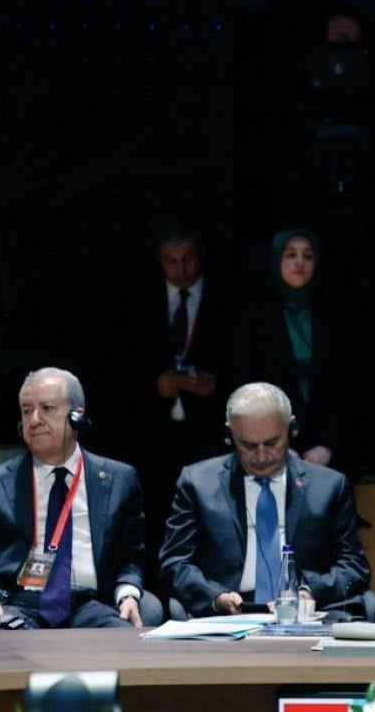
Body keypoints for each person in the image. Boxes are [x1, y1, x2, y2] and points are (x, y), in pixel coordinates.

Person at [0, 368, 146, 630]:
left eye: (47, 408)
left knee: (123, 642)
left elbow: (131, 557)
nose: (34, 420)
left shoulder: (120, 479)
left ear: (77, 417)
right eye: (27, 411)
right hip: (14, 604)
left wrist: (128, 594)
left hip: (92, 605)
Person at [158, 382, 370, 617]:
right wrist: (215, 597)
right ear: (229, 435)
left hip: (308, 612)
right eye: (248, 445)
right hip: (228, 615)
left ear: (292, 429)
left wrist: (310, 591)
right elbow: (174, 563)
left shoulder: (329, 486)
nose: (261, 456)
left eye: (271, 443)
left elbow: (354, 566)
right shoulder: (197, 482)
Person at [127, 223, 230, 582]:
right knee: (155, 518)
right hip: (154, 437)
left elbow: (243, 361)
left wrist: (217, 385)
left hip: (209, 433)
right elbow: (117, 367)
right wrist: (154, 384)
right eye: (171, 261)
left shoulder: (226, 301)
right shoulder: (140, 304)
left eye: (188, 259)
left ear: (201, 255)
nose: (181, 269)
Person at [233, 227, 356, 466]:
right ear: (276, 260)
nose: (299, 263)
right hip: (267, 450)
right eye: (291, 255)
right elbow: (245, 386)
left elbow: (346, 386)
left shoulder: (334, 315)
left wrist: (327, 445)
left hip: (328, 452)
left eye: (308, 256)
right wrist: (276, 444)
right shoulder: (255, 317)